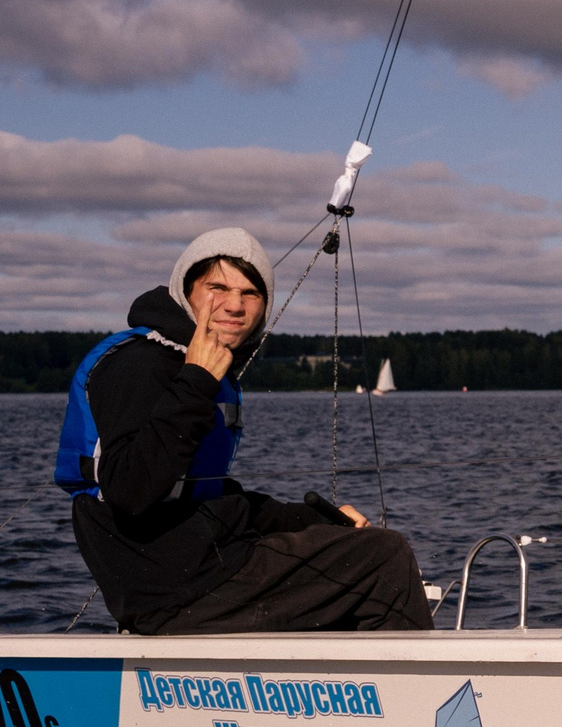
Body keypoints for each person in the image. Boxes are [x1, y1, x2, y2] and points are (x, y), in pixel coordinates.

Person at [57, 228, 432, 634]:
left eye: (250, 293)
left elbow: (212, 499)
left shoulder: (200, 368)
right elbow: (129, 490)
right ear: (186, 292)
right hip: (178, 591)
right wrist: (196, 380)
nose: (234, 305)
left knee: (353, 550)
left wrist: (318, 520)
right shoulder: (141, 365)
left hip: (204, 572)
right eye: (217, 287)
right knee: (383, 558)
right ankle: (415, 695)